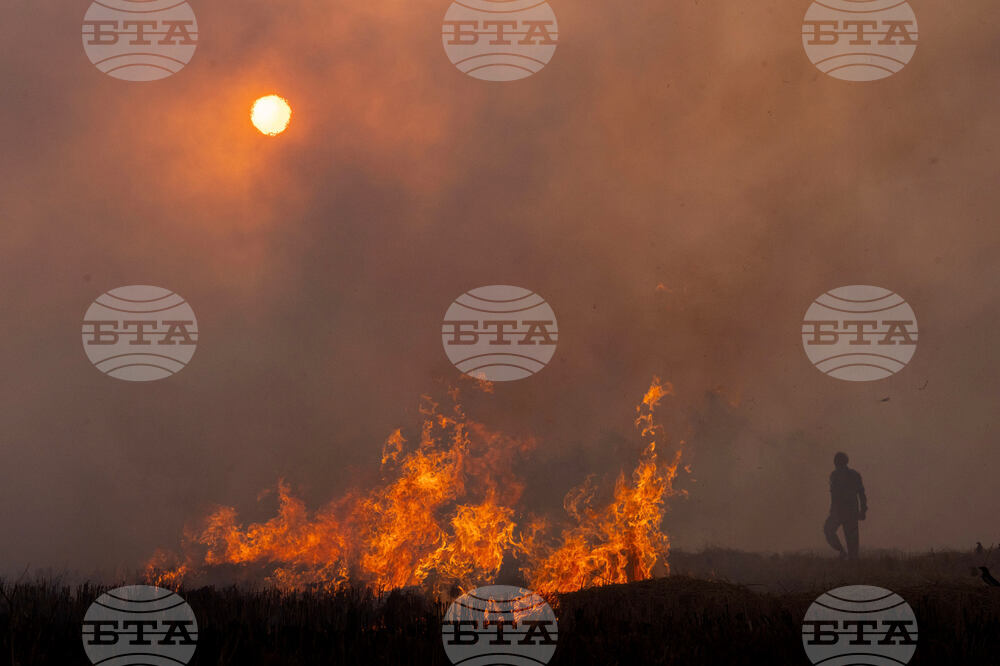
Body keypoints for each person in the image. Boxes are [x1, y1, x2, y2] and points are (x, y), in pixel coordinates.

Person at [823, 452, 867, 560]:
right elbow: (861, 494)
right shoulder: (838, 475)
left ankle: (846, 556)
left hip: (846, 512)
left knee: (851, 543)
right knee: (830, 530)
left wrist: (863, 510)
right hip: (844, 512)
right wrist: (863, 510)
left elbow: (861, 493)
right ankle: (843, 553)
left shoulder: (849, 475)